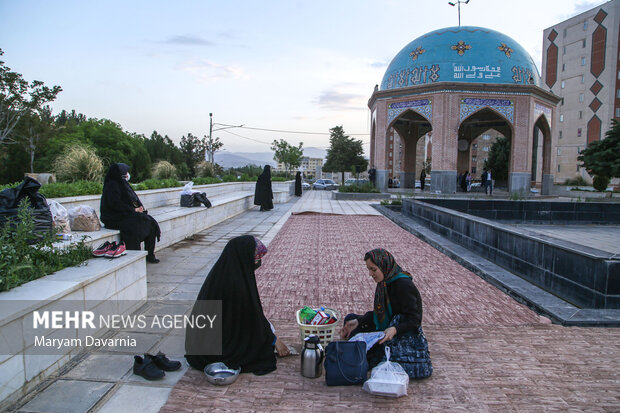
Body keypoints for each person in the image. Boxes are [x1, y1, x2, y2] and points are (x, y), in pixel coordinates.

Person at [185, 235, 290, 374]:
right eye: (255, 258)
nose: (257, 262)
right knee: (259, 348)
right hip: (216, 349)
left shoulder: (223, 272)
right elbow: (251, 320)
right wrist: (273, 340)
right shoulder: (235, 284)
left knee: (265, 326)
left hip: (200, 344)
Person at [340, 249, 432, 379]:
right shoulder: (385, 283)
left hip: (401, 332)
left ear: (384, 266)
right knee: (350, 319)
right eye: (369, 269)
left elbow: (415, 320)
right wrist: (359, 321)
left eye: (373, 269)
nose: (370, 274)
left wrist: (394, 330)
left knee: (364, 351)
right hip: (389, 326)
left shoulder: (403, 285)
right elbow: (381, 313)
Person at [100, 163, 161, 263]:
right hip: (114, 218)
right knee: (135, 227)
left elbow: (133, 199)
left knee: (151, 223)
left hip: (126, 214)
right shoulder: (112, 186)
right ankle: (136, 257)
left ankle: (150, 255)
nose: (127, 174)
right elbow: (115, 204)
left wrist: (139, 209)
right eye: (125, 172)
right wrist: (133, 210)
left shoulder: (123, 184)